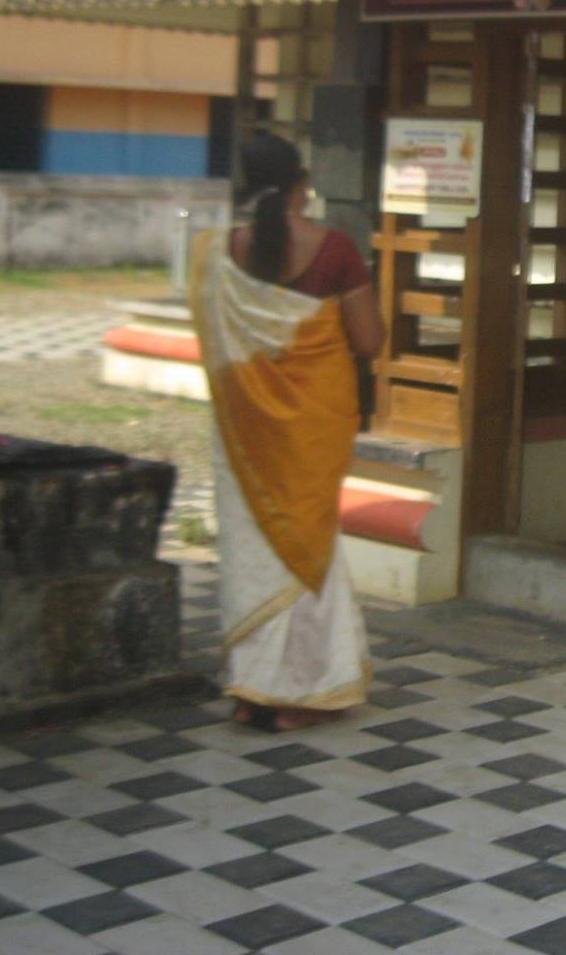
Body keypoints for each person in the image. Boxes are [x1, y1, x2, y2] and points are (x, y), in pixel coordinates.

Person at [188, 134, 384, 732]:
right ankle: (298, 692)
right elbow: (370, 340)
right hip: (312, 429)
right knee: (307, 547)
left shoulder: (216, 253)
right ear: (303, 184)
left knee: (254, 550)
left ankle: (254, 690)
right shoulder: (334, 250)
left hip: (246, 429)